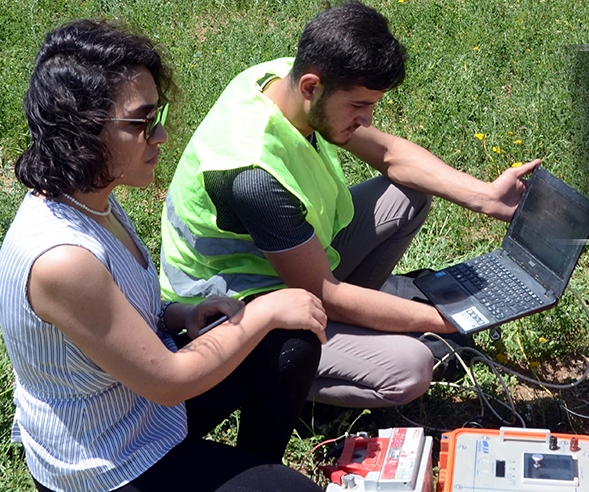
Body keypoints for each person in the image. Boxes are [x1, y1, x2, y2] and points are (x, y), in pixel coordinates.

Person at [0, 19, 329, 492]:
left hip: (142, 408)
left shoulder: (93, 197)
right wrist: (262, 310)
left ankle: (251, 473)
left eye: (160, 113)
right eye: (141, 122)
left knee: (290, 340)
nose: (162, 134)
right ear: (80, 130)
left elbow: (122, 319)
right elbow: (169, 383)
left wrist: (181, 314)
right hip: (105, 461)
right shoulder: (61, 259)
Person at [159, 2, 539, 409]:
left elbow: (392, 156)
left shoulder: (283, 82)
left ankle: (357, 332)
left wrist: (485, 196)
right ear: (310, 86)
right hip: (236, 306)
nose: (368, 120)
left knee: (405, 195)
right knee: (410, 367)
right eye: (359, 106)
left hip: (293, 262)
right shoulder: (253, 175)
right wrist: (451, 318)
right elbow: (328, 293)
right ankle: (290, 376)